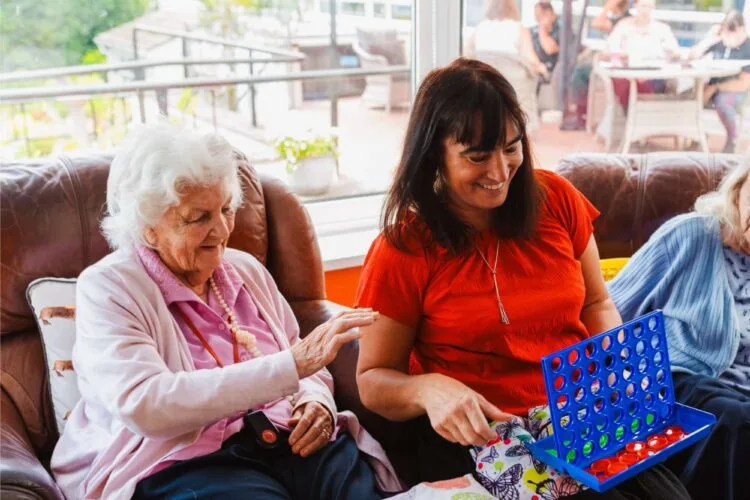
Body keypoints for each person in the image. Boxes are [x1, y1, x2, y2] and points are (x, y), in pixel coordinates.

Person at [354, 57, 691, 499]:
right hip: (480, 435)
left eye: (511, 149)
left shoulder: (557, 199)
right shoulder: (404, 247)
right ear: (434, 153)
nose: (499, 173)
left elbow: (596, 303)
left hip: (577, 414)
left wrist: (617, 362)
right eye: (477, 157)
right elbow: (373, 378)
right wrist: (427, 390)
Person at [49, 124, 402, 499]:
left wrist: (316, 401)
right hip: (185, 459)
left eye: (226, 209)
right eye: (198, 217)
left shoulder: (245, 269)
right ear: (148, 227)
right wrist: (292, 366)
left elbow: (300, 355)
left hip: (287, 436)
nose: (221, 229)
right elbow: (146, 404)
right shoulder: (110, 287)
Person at [608, 160, 750, 500]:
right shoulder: (691, 236)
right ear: (739, 190)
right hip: (677, 381)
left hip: (739, 397)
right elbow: (607, 307)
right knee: (737, 420)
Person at [690, 10, 750, 153]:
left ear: (741, 29)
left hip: (736, 90)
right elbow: (692, 56)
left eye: (732, 30)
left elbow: (744, 83)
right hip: (713, 87)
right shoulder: (720, 43)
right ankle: (697, 135)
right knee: (689, 99)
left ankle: (732, 139)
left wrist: (716, 87)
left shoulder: (747, 48)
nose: (728, 34)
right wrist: (709, 39)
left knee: (723, 102)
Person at [567, 0, 632, 129]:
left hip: (617, 66)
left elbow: (597, 23)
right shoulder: (618, 19)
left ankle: (581, 116)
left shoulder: (624, 21)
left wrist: (609, 5)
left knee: (581, 73)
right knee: (581, 70)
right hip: (609, 62)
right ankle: (581, 113)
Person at [605, 0, 680, 110]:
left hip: (655, 75)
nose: (646, 10)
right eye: (643, 6)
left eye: (649, 7)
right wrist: (622, 55)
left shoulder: (661, 29)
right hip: (627, 74)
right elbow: (609, 50)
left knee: (665, 83)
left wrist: (671, 55)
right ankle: (633, 114)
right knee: (624, 84)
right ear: (636, 6)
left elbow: (675, 52)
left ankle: (644, 113)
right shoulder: (624, 26)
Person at [466, 0, 548, 79]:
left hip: (484, 82)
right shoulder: (518, 29)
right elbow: (532, 61)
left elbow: (467, 54)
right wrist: (542, 69)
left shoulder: (480, 28)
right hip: (513, 85)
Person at [532, 1, 561, 78]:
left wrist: (542, 29)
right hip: (536, 74)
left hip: (554, 76)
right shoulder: (533, 31)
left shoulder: (562, 31)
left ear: (548, 14)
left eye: (538, 16)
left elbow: (550, 49)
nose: (536, 19)